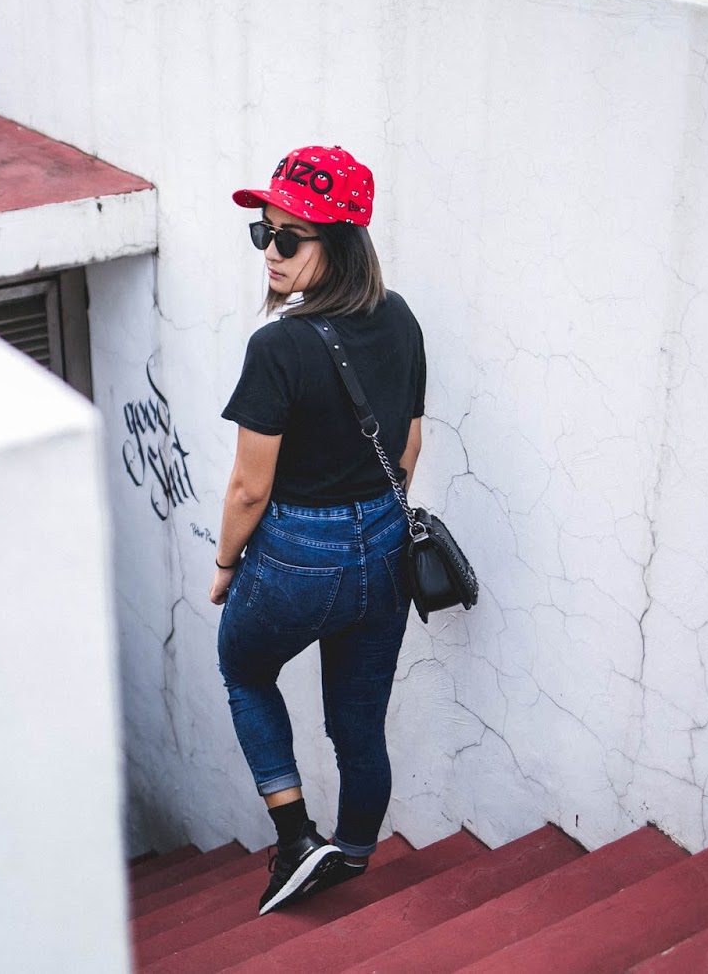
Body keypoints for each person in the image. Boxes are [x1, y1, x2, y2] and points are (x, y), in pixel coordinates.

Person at [210, 145, 426, 915]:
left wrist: (226, 563)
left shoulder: (277, 347)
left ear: (338, 244)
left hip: (298, 553)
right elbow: (409, 445)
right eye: (262, 233)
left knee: (242, 667)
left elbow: (249, 486)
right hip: (386, 540)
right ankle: (354, 854)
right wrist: (372, 522)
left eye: (288, 237)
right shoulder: (400, 317)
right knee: (358, 723)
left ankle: (297, 837)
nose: (269, 251)